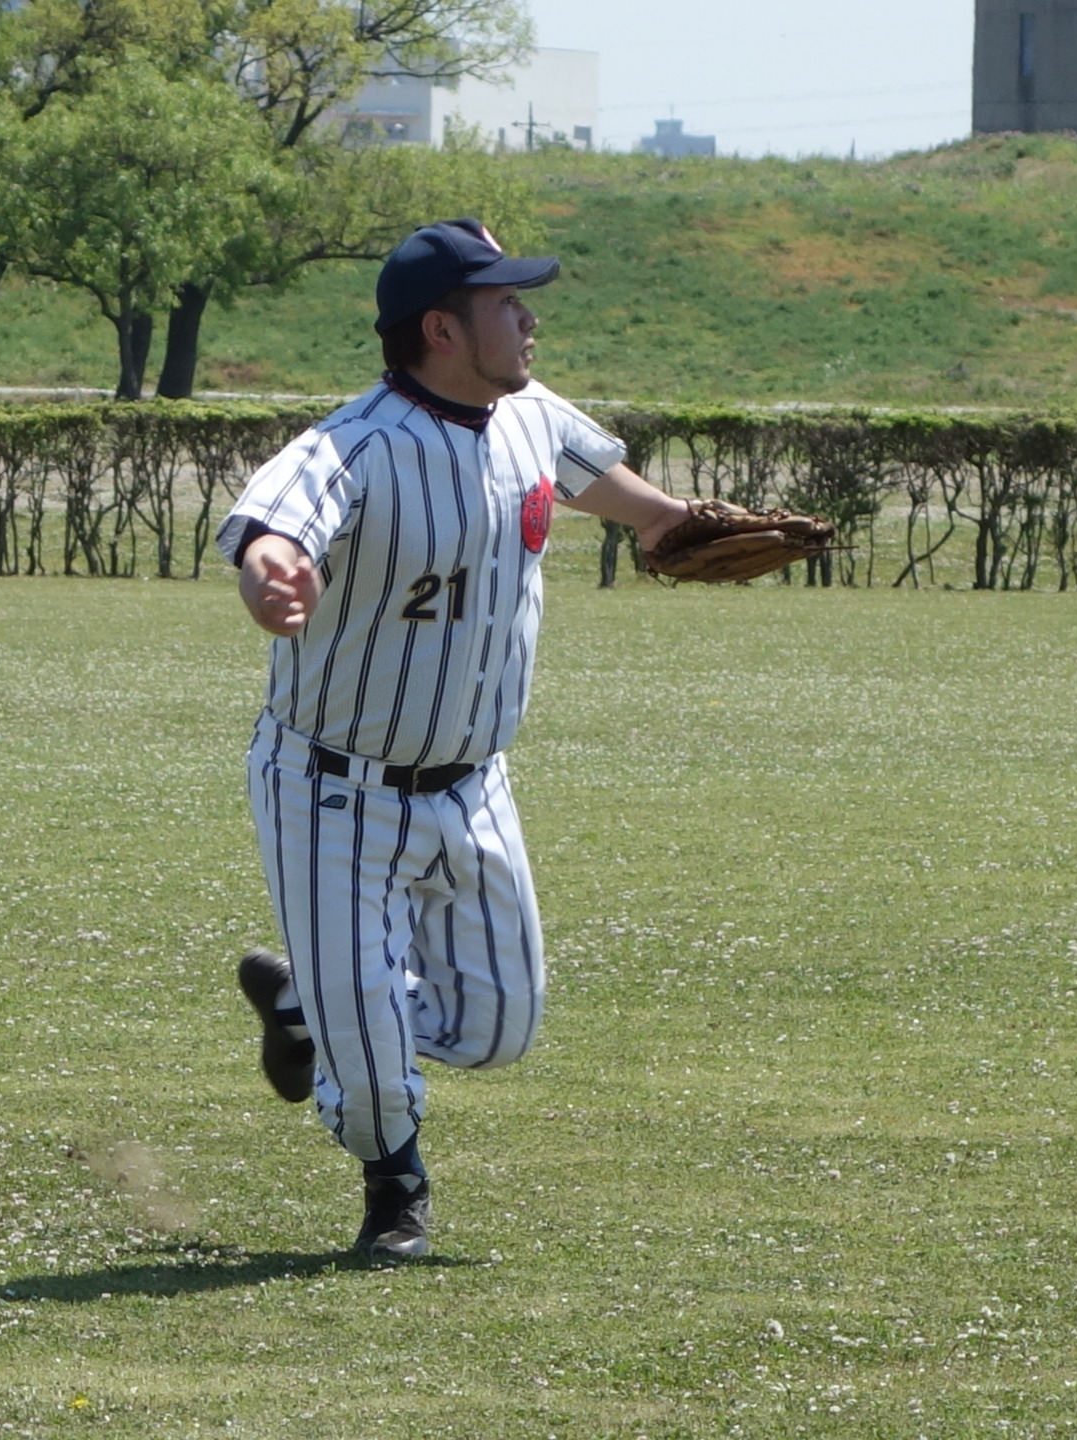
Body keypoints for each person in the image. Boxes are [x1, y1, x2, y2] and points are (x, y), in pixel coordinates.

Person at [218, 218, 693, 1260]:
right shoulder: (354, 444)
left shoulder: (529, 414)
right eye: (505, 302)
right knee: (374, 1065)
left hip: (475, 784)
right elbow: (272, 526)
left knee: (497, 1027)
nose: (527, 318)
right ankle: (395, 1186)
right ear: (440, 329)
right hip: (331, 788)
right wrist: (270, 576)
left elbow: (589, 474)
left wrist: (666, 519)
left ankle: (310, 1008)